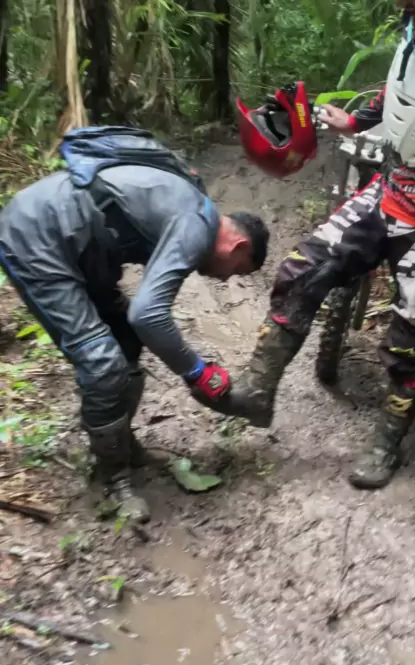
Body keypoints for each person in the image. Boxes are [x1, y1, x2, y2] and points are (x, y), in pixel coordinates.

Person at [206, 0, 415, 490]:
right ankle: (258, 390)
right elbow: (405, 81)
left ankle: (388, 438)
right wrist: (356, 119)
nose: (401, 0)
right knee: (302, 268)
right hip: (394, 186)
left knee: (411, 337)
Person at [0, 126, 269, 523]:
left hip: (78, 246)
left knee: (125, 339)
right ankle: (112, 477)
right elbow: (149, 313)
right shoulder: (197, 224)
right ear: (239, 246)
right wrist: (196, 371)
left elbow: (139, 320)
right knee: (102, 361)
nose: (225, 278)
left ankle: (122, 445)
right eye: (237, 270)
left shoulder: (192, 211)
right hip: (38, 239)